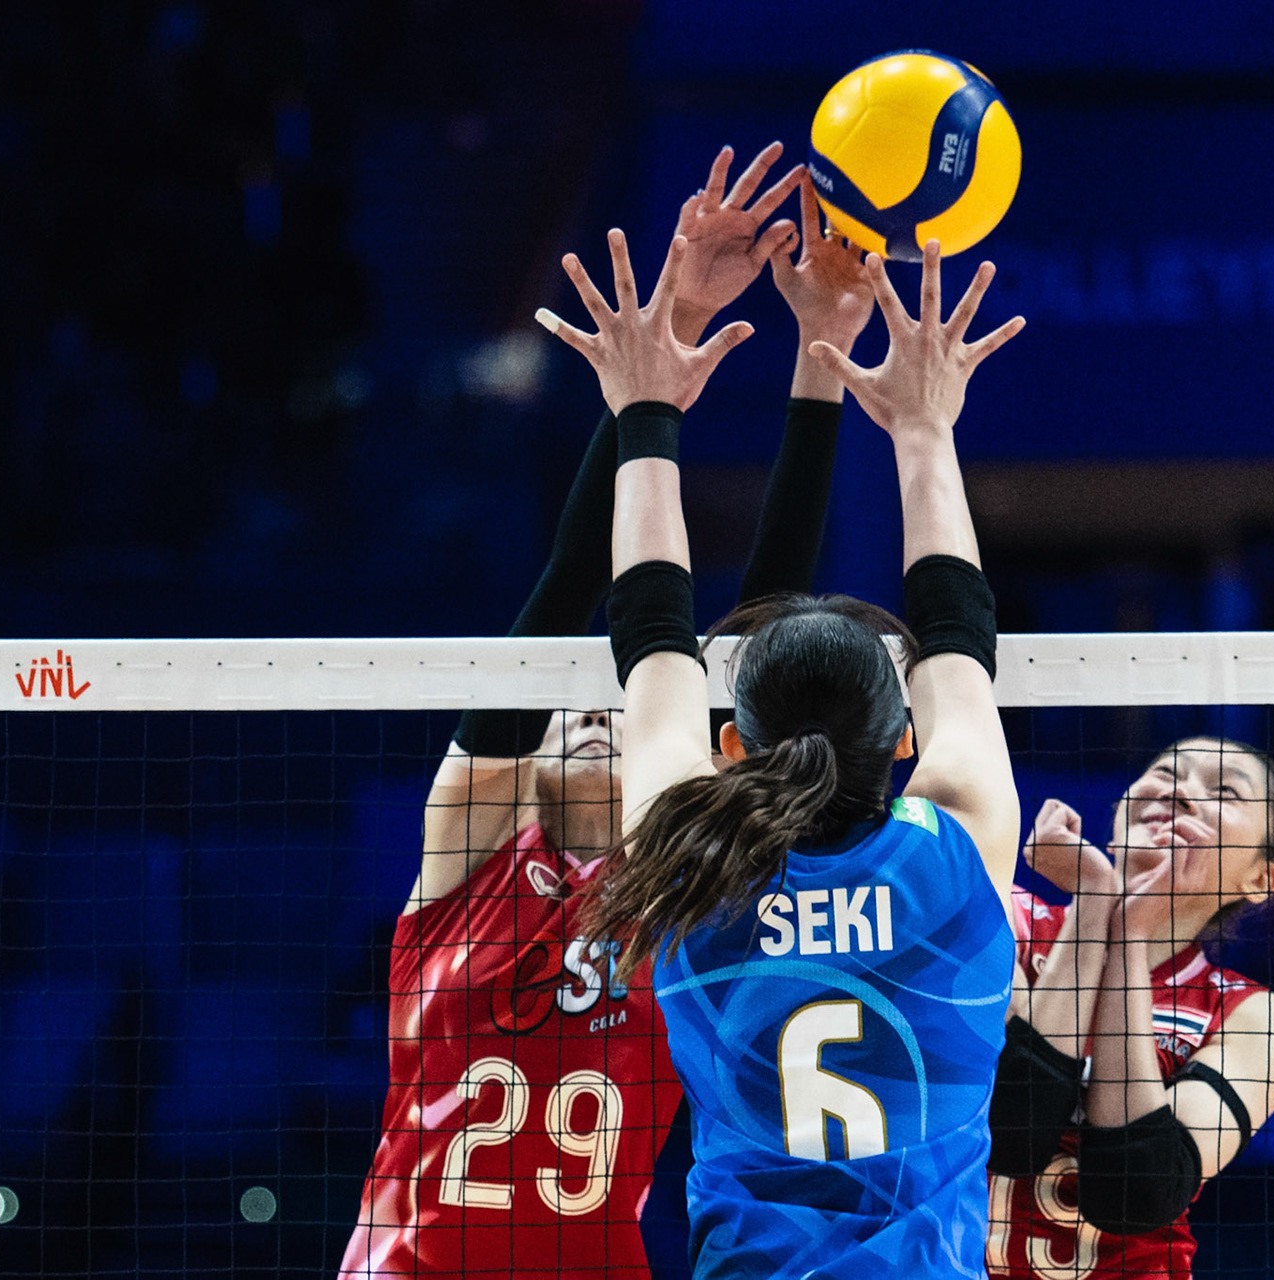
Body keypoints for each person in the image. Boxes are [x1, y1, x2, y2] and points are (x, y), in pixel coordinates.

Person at [339, 141, 880, 1280]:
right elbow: (569, 584)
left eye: (620, 707)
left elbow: (765, 630)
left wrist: (818, 359)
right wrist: (662, 353)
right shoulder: (466, 856)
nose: (588, 710)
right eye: (565, 707)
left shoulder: (689, 878)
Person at [542, 229, 1024, 1278]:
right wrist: (923, 428)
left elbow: (652, 627)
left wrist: (644, 409)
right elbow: (958, 626)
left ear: (731, 743)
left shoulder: (688, 863)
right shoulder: (956, 851)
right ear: (903, 738)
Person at [986, 739, 1274, 1279]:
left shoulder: (1260, 1017)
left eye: (1225, 791)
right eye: (1167, 772)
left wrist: (1130, 934)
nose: (1182, 791)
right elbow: (1012, 1125)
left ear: (1260, 879)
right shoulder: (1009, 920)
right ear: (1120, 811)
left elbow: (1136, 1187)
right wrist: (1097, 901)